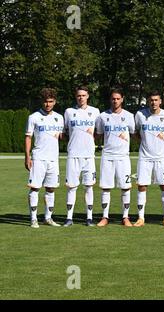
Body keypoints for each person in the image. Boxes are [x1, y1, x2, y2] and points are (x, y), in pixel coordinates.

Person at [95, 88, 136, 227]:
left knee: (125, 187)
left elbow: (133, 133)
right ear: (110, 99)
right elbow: (98, 134)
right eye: (113, 98)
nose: (115, 101)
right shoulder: (102, 116)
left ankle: (125, 217)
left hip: (123, 157)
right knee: (106, 188)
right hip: (107, 156)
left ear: (122, 99)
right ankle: (105, 217)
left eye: (118, 98)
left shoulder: (129, 116)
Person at [25, 88, 64, 228]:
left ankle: (48, 218)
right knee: (35, 188)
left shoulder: (59, 118)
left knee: (51, 188)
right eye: (46, 101)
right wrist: (27, 156)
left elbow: (61, 136)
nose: (48, 104)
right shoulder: (33, 117)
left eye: (51, 101)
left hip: (53, 159)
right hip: (38, 158)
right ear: (42, 101)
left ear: (55, 101)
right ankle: (33, 219)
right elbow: (28, 137)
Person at [134, 90, 164, 227]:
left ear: (160, 101)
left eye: (156, 100)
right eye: (151, 100)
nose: (154, 102)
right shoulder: (140, 115)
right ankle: (140, 218)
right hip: (144, 158)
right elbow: (136, 133)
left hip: (161, 158)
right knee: (142, 186)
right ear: (148, 101)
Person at [63, 86, 100, 227]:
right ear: (75, 96)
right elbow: (65, 132)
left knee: (89, 187)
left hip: (89, 156)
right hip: (73, 155)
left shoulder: (95, 111)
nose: (81, 98)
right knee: (71, 187)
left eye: (83, 95)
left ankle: (89, 218)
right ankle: (68, 218)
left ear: (88, 96)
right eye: (79, 95)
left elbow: (98, 132)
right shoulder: (69, 112)